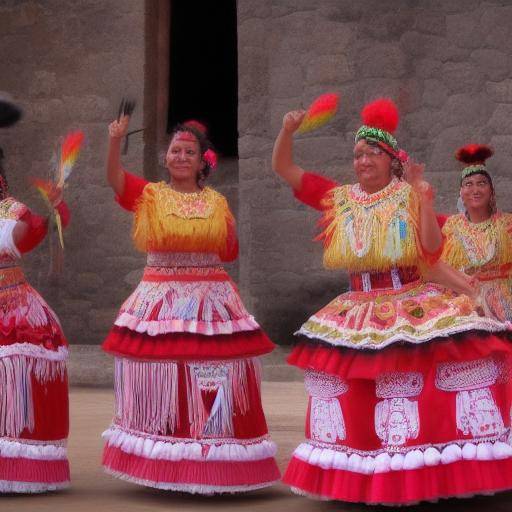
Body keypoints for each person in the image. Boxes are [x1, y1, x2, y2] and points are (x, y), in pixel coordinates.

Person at [272, 98, 512, 504]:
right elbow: (284, 169)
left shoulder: (409, 195)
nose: (362, 160)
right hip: (358, 305)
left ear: (392, 160)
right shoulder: (339, 197)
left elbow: (433, 254)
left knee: (429, 382)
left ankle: (429, 469)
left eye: (372, 153)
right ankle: (365, 471)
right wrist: (288, 131)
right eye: (357, 154)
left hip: (410, 300)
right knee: (357, 388)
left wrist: (425, 201)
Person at [101, 114, 280, 493]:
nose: (181, 156)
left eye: (189, 152)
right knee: (168, 376)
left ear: (203, 162)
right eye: (175, 151)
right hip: (160, 300)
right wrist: (115, 142)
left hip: (210, 299)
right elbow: (115, 179)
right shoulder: (149, 195)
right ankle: (164, 462)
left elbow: (229, 251)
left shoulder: (217, 202)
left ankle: (215, 459)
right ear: (165, 158)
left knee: (214, 378)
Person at [0, 140, 70, 492]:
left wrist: (56, 206)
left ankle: (15, 469)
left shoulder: (15, 212)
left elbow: (41, 231)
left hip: (14, 309)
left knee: (15, 385)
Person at [440, 144, 512, 322]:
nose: (475, 190)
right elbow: (445, 270)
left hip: (504, 299)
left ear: (491, 190)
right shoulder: (452, 226)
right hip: (465, 299)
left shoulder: (507, 224)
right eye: (468, 184)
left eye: (481, 183)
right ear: (461, 193)